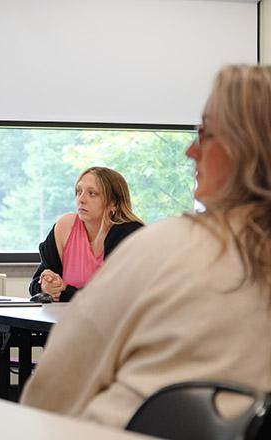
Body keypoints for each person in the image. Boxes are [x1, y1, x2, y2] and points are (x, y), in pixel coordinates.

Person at [20, 65, 271, 428]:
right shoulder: (68, 230)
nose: (190, 151)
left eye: (206, 134)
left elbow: (52, 390)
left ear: (246, 149)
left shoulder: (160, 245)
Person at [29, 167, 143, 302]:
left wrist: (64, 292)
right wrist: (46, 287)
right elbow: (35, 285)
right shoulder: (65, 226)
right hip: (67, 319)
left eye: (92, 193)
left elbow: (115, 297)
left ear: (114, 203)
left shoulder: (130, 234)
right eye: (78, 191)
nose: (81, 199)